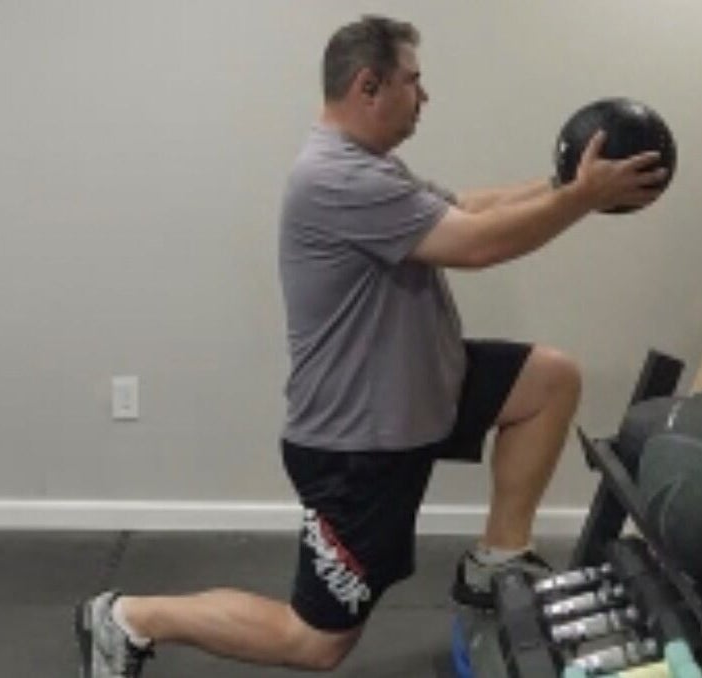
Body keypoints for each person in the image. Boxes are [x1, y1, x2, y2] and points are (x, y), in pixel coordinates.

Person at [75, 15, 667, 677]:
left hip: (418, 391)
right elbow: (478, 245)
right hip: (357, 441)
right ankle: (129, 617)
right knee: (315, 642)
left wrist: (562, 184)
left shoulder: (369, 167)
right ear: (368, 86)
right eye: (412, 81)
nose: (424, 96)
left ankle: (496, 560)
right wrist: (584, 199)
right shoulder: (334, 179)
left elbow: (467, 210)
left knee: (547, 380)